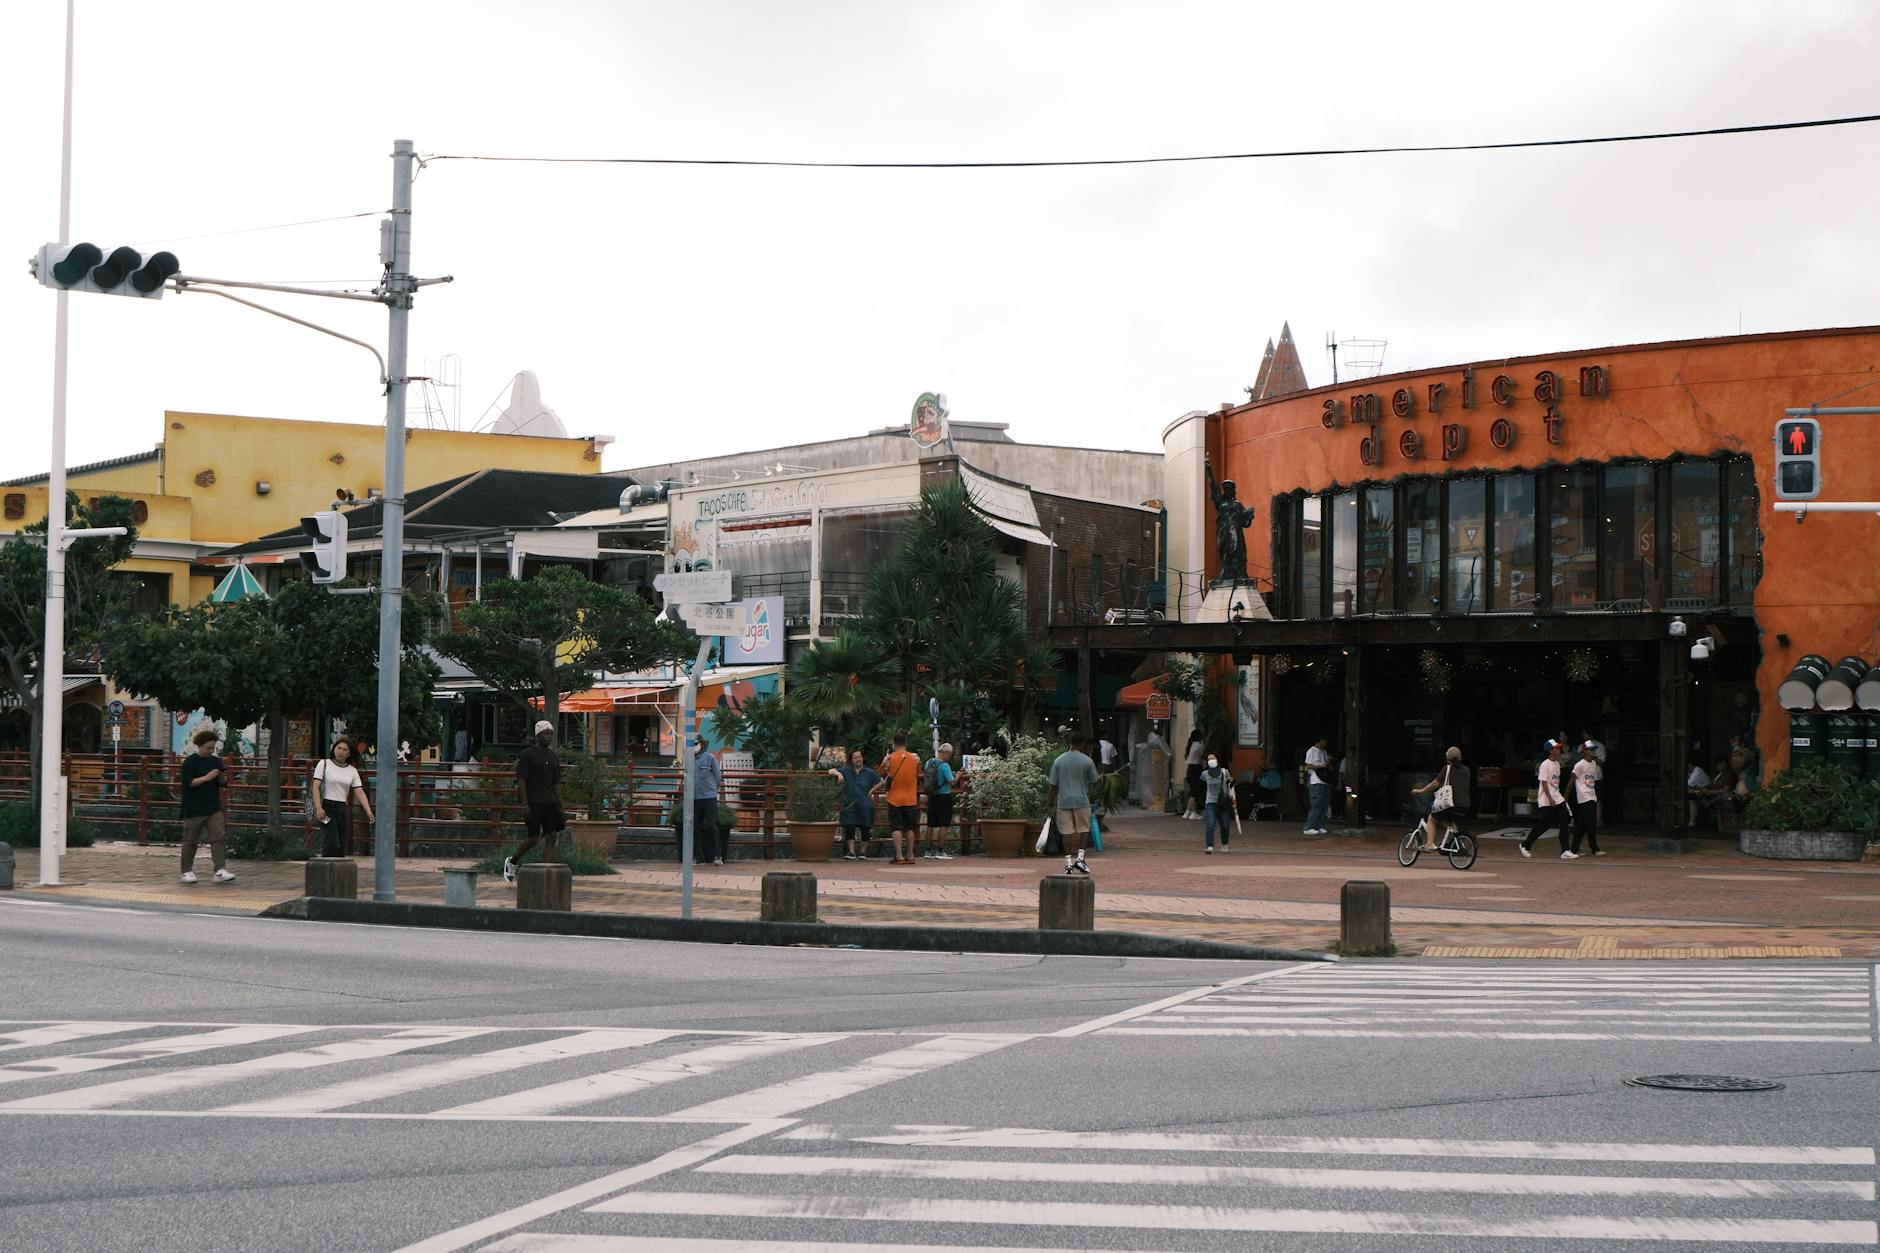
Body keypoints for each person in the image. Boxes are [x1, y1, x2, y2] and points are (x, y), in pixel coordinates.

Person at [506, 721, 566, 884]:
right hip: (533, 801)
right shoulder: (528, 755)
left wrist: (561, 805)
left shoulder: (553, 756)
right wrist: (524, 804)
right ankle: (512, 861)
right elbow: (521, 781)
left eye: (551, 734)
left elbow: (556, 783)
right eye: (546, 733)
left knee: (551, 836)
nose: (549, 736)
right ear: (538, 735)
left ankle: (548, 872)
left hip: (549, 801)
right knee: (533, 838)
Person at [178, 727, 235, 884]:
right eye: (208, 747)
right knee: (190, 840)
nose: (211, 750)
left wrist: (223, 776)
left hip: (213, 806)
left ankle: (219, 870)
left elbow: (222, 783)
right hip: (194, 807)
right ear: (199, 745)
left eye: (213, 747)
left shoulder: (216, 761)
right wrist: (206, 777)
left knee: (218, 837)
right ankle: (186, 871)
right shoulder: (189, 763)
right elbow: (189, 782)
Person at [311, 737, 373, 858]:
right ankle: (326, 870)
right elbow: (316, 787)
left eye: (345, 749)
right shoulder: (324, 764)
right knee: (331, 842)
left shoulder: (352, 771)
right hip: (326, 807)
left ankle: (338, 874)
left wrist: (368, 810)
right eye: (339, 748)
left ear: (349, 753)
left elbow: (359, 792)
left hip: (342, 809)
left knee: (342, 845)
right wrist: (319, 808)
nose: (341, 751)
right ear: (333, 749)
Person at [1048, 735, 1099, 875]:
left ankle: (1068, 864)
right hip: (1082, 800)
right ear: (1082, 744)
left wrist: (1050, 802)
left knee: (1066, 832)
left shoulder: (1058, 761)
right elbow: (1094, 781)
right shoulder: (1087, 761)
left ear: (1069, 743)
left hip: (1064, 801)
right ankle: (1080, 859)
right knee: (1084, 829)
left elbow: (1053, 785)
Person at [1204, 453, 1256, 584]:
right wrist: (1209, 470)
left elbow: (1245, 523)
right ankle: (1224, 575)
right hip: (1224, 533)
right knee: (1225, 555)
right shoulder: (1220, 503)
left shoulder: (1237, 505)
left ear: (1233, 491)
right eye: (1225, 488)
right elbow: (1213, 487)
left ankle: (1240, 574)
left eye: (1229, 489)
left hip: (1236, 534)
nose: (1226, 491)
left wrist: (1249, 514)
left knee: (1239, 554)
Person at [874, 731, 922, 866]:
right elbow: (919, 773)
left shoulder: (890, 758)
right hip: (910, 798)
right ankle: (911, 854)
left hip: (894, 798)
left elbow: (881, 774)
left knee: (896, 827)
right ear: (906, 743)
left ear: (894, 744)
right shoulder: (915, 758)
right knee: (910, 828)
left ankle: (899, 855)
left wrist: (884, 762)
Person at [1520, 740, 1573, 858]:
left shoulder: (1557, 764)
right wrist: (1550, 799)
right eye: (1556, 748)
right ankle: (1525, 845)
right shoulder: (1545, 764)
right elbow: (1544, 783)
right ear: (1550, 750)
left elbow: (1555, 783)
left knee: (1565, 819)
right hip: (1546, 799)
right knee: (1544, 825)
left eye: (1559, 748)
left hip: (1557, 797)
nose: (1559, 750)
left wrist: (1557, 797)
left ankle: (1565, 850)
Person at [1411, 746, 1470, 851]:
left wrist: (1420, 791)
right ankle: (1455, 839)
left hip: (1450, 804)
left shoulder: (1447, 768)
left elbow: (1434, 784)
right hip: (1464, 806)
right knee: (1446, 819)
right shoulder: (1467, 770)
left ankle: (1429, 844)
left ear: (1447, 759)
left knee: (1432, 818)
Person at [828, 748, 880, 861]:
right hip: (850, 804)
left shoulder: (869, 772)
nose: (858, 759)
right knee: (849, 826)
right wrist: (838, 774)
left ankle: (863, 851)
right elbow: (830, 770)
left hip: (865, 804)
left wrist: (872, 790)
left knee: (866, 827)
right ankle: (851, 851)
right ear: (851, 760)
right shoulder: (846, 771)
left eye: (860, 757)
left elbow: (881, 780)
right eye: (855, 758)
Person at [922, 743, 959, 860]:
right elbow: (952, 782)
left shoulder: (929, 762)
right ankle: (940, 851)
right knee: (943, 824)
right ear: (946, 753)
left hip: (932, 796)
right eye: (950, 754)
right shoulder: (944, 766)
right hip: (944, 796)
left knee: (930, 824)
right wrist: (958, 775)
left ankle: (927, 851)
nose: (950, 756)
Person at [692, 740, 724, 865]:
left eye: (696, 744)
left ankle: (717, 856)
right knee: (695, 828)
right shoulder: (689, 759)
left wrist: (712, 791)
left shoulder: (710, 759)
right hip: (694, 798)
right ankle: (698, 857)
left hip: (709, 798)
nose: (694, 747)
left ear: (702, 745)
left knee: (712, 827)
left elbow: (717, 777)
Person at [1570, 741, 1603, 855]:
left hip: (1591, 796)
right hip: (1584, 797)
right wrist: (1565, 795)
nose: (1592, 751)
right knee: (1591, 823)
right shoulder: (1579, 765)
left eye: (1593, 749)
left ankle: (1574, 849)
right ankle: (1594, 848)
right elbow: (1572, 780)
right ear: (1584, 752)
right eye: (1590, 749)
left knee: (1582, 825)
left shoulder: (1593, 764)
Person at [1197, 752, 1235, 853]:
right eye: (1209, 759)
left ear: (1217, 760)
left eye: (1213, 758)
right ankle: (1210, 846)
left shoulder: (1224, 772)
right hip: (1210, 803)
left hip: (1223, 803)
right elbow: (1201, 785)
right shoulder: (1204, 774)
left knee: (1225, 825)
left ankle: (1224, 843)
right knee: (1210, 824)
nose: (1211, 760)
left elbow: (1231, 784)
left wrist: (1232, 796)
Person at [1303, 736, 1332, 835]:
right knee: (1317, 804)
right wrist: (1321, 765)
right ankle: (1308, 827)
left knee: (1324, 804)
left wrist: (1328, 761)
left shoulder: (1324, 752)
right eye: (1324, 740)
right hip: (1316, 780)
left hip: (1325, 780)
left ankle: (1318, 825)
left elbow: (1326, 765)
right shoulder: (1311, 751)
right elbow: (1308, 765)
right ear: (1319, 741)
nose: (1326, 743)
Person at [1183, 731, 1206, 819]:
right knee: (1195, 793)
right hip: (1196, 769)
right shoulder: (1199, 746)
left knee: (1192, 791)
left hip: (1190, 769)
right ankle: (1194, 812)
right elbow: (1203, 755)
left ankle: (1188, 811)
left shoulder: (1191, 745)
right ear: (1200, 737)